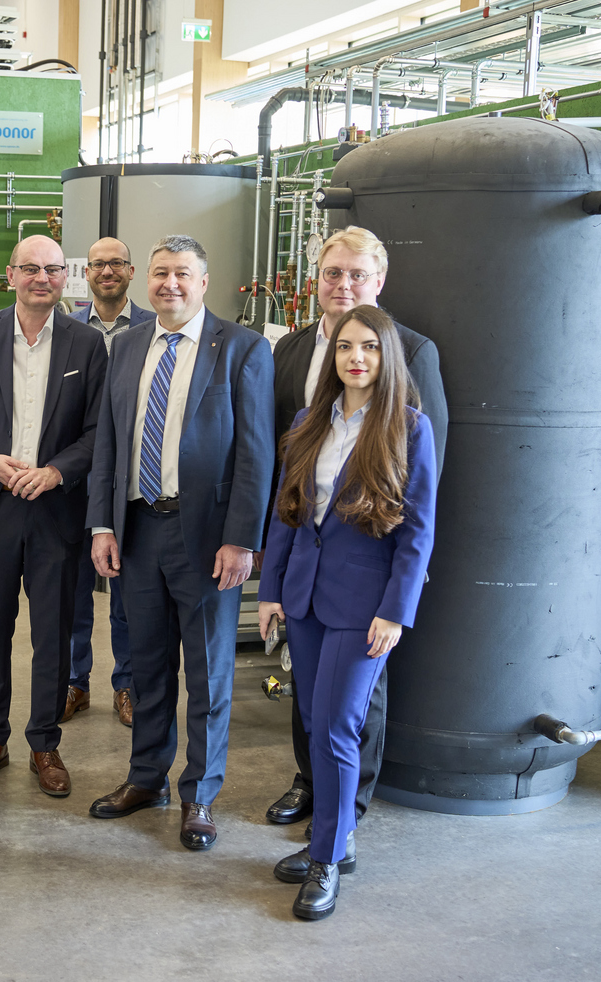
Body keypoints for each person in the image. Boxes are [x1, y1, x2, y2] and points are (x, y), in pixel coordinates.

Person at [85, 235, 275, 853]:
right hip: (139, 529)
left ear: (204, 281)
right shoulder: (131, 345)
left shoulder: (241, 349)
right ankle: (147, 779)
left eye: (182, 274)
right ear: (149, 281)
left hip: (207, 539)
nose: (170, 284)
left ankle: (200, 793)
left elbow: (256, 454)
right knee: (146, 666)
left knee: (210, 673)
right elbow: (109, 442)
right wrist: (103, 524)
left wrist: (242, 539)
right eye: (161, 273)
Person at [264, 226, 448, 834]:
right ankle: (312, 791)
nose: (343, 285)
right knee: (316, 715)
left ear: (379, 283)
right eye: (333, 273)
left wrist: (398, 603)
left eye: (357, 275)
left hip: (365, 584)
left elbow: (419, 503)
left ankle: (340, 832)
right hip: (308, 583)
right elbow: (286, 491)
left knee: (347, 717)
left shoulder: (412, 365)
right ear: (316, 279)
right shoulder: (292, 358)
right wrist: (273, 585)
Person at [0, 234, 107, 796]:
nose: (42, 279)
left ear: (65, 279)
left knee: (53, 632)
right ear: (9, 276)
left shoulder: (86, 344)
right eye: (30, 269)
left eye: (53, 270)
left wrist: (56, 471)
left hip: (55, 509)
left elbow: (97, 430)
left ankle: (44, 742)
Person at [63, 236, 155, 728]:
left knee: (125, 588)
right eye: (98, 265)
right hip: (75, 480)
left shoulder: (152, 326)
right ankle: (76, 682)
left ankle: (127, 684)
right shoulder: (68, 329)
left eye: (116, 263)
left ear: (131, 271)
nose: (107, 272)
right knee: (74, 588)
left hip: (128, 479)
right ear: (87, 274)